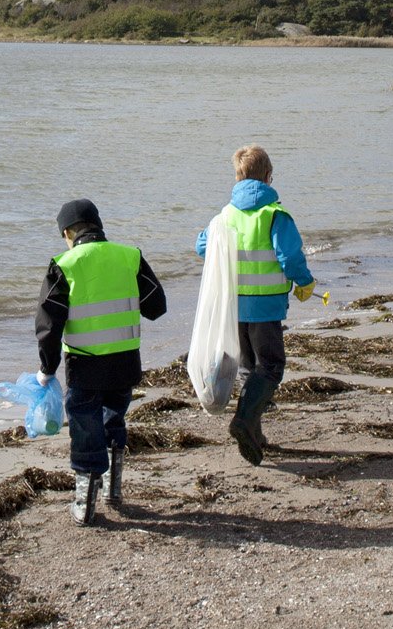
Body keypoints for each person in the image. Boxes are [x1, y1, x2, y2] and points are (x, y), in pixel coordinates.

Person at [36, 198, 168, 525]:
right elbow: (156, 307)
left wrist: (46, 369)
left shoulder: (63, 265)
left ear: (67, 232)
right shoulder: (130, 257)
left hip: (85, 366)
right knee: (112, 417)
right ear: (99, 225)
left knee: (84, 421)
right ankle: (113, 485)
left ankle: (86, 499)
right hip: (125, 365)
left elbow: (48, 328)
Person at [196, 145, 316, 465]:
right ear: (268, 175)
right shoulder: (273, 214)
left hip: (234, 307)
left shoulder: (225, 216)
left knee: (251, 369)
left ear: (237, 176)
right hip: (265, 308)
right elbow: (289, 257)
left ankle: (255, 434)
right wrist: (305, 282)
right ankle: (244, 421)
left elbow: (201, 246)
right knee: (272, 367)